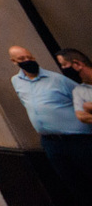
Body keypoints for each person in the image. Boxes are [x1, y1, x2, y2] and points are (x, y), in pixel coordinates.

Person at [8, 45, 92, 194]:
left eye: (29, 57)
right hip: (51, 142)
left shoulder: (57, 79)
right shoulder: (16, 81)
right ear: (14, 61)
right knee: (73, 183)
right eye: (22, 59)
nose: (27, 60)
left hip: (78, 140)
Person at [55, 48, 92, 126]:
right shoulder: (78, 91)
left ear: (77, 64)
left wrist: (88, 107)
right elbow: (81, 116)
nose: (62, 68)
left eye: (64, 64)